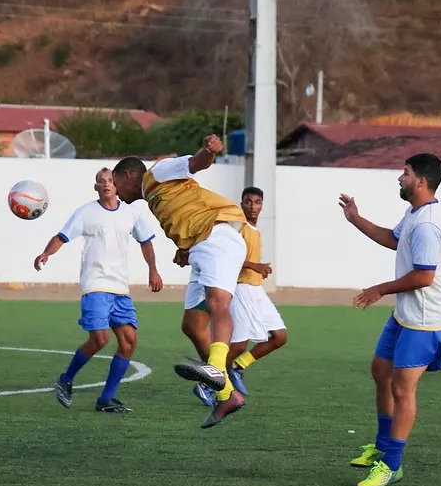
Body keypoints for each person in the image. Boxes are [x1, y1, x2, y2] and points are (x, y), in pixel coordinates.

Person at [111, 135, 248, 428]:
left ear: (129, 175)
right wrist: (184, 248)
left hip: (218, 235)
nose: (116, 192)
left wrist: (208, 152)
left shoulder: (157, 172)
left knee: (217, 301)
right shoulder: (152, 195)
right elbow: (184, 211)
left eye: (116, 183)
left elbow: (195, 164)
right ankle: (227, 393)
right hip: (200, 247)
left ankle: (216, 366)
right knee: (192, 325)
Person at [339, 153, 441, 486]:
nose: (399, 178)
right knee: (380, 370)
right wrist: (355, 219)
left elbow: (424, 276)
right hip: (407, 312)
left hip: (426, 317)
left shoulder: (429, 224)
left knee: (403, 388)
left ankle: (391, 464)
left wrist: (380, 289)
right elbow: (393, 239)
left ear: (420, 181)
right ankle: (383, 446)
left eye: (405, 173)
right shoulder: (415, 213)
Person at [35, 167, 163, 413]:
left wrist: (153, 270)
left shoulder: (131, 214)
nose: (106, 184)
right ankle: (65, 379)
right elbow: (61, 236)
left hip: (120, 288)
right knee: (100, 339)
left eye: (109, 180)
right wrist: (46, 253)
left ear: (116, 184)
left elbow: (146, 242)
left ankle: (106, 399)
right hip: (95, 285)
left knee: (129, 342)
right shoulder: (86, 212)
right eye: (100, 181)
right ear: (96, 187)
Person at [181, 186, 287, 406]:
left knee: (279, 337)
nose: (253, 206)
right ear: (241, 203)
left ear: (262, 205)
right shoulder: (237, 227)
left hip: (256, 289)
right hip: (240, 287)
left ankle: (237, 368)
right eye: (248, 202)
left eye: (257, 202)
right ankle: (207, 385)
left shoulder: (255, 229)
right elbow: (225, 253)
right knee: (238, 344)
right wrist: (254, 265)